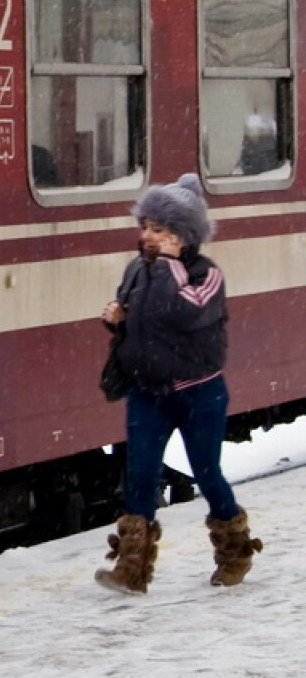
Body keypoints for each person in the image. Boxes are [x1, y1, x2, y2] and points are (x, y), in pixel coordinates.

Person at [95, 173, 263, 594]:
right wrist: (116, 317)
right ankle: (132, 570)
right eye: (146, 227)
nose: (148, 237)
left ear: (183, 235)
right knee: (141, 475)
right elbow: (141, 321)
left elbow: (187, 313)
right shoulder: (137, 270)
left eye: (159, 230)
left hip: (198, 392)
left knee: (207, 472)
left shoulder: (207, 275)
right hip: (147, 392)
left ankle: (235, 553)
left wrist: (170, 266)